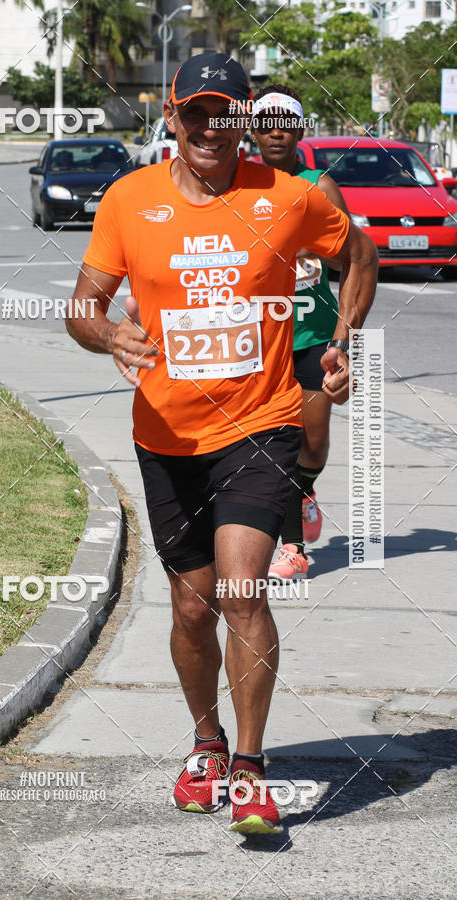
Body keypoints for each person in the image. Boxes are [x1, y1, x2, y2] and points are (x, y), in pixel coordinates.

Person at [65, 52, 378, 835]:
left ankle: (250, 766)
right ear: (171, 117)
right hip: (167, 433)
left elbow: (359, 256)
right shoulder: (129, 200)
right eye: (195, 112)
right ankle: (206, 741)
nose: (211, 127)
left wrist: (340, 343)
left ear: (248, 119)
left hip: (262, 423)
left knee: (243, 589)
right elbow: (83, 303)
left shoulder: (291, 198)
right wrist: (107, 334)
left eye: (226, 112)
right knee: (191, 603)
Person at [250, 84, 352, 583]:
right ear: (250, 127)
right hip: (258, 342)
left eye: (284, 122)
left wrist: (342, 340)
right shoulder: (237, 186)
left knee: (312, 446)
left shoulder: (319, 187)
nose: (275, 131)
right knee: (278, 446)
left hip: (312, 336)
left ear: (300, 129)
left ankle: (305, 487)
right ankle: (289, 546)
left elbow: (350, 260)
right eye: (265, 122)